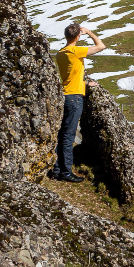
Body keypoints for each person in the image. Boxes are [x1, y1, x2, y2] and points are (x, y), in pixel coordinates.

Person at [50, 22, 106, 182]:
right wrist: (89, 32)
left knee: (61, 134)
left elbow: (70, 75)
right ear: (77, 36)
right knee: (68, 136)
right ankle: (66, 172)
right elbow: (101, 46)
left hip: (65, 94)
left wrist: (86, 83)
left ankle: (57, 168)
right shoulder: (76, 51)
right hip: (74, 97)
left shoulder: (60, 53)